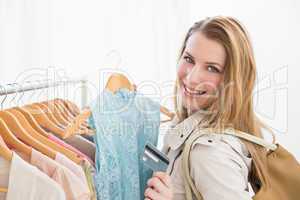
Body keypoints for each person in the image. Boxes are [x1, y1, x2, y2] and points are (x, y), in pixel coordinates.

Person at [144, 16, 271, 200]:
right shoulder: (186, 125)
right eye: (189, 59)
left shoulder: (210, 153)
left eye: (212, 68)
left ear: (234, 80)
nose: (192, 78)